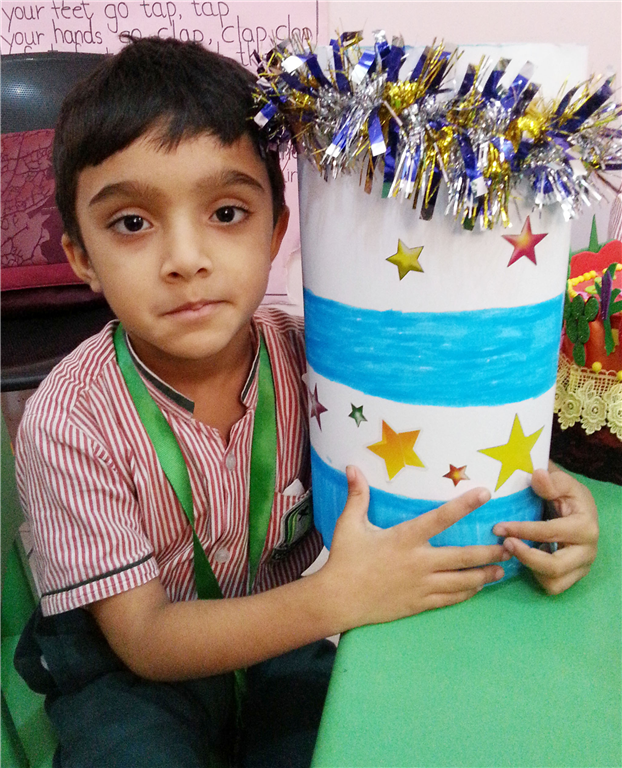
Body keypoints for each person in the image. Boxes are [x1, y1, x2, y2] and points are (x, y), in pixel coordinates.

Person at [14, 36, 599, 768]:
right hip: (135, 661)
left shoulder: (316, 356)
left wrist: (551, 509)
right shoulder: (66, 420)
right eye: (132, 223)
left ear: (277, 230)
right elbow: (145, 638)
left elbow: (453, 455)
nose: (186, 259)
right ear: (81, 256)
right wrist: (335, 600)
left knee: (346, 743)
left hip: (291, 624)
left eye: (227, 212)